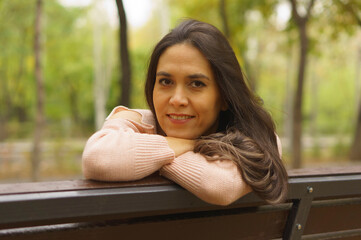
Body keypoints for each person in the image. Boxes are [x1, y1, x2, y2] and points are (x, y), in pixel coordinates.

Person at [82, 19, 288, 206]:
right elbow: (97, 159)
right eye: (166, 82)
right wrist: (190, 145)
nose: (177, 99)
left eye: (196, 84)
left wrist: (151, 157)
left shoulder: (257, 141)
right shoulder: (139, 122)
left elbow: (220, 185)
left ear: (225, 96)